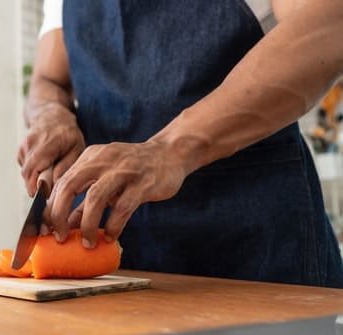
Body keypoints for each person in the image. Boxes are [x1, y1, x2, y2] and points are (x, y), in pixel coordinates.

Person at [18, 0, 343, 288]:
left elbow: (329, 22)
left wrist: (171, 149)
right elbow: (48, 79)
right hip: (106, 254)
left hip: (253, 245)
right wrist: (50, 114)